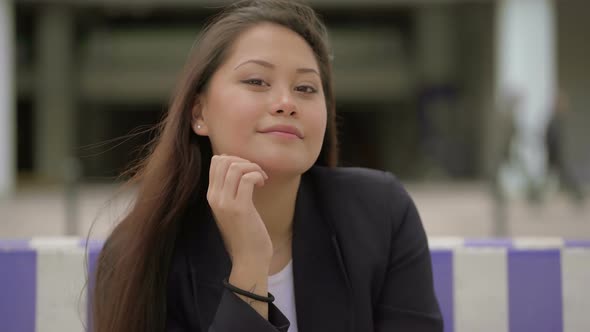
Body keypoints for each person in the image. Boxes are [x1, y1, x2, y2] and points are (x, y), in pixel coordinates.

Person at [90, 1, 442, 331]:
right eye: (256, 81)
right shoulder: (139, 253)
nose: (286, 103)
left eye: (305, 87)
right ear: (199, 113)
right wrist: (249, 266)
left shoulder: (381, 212)